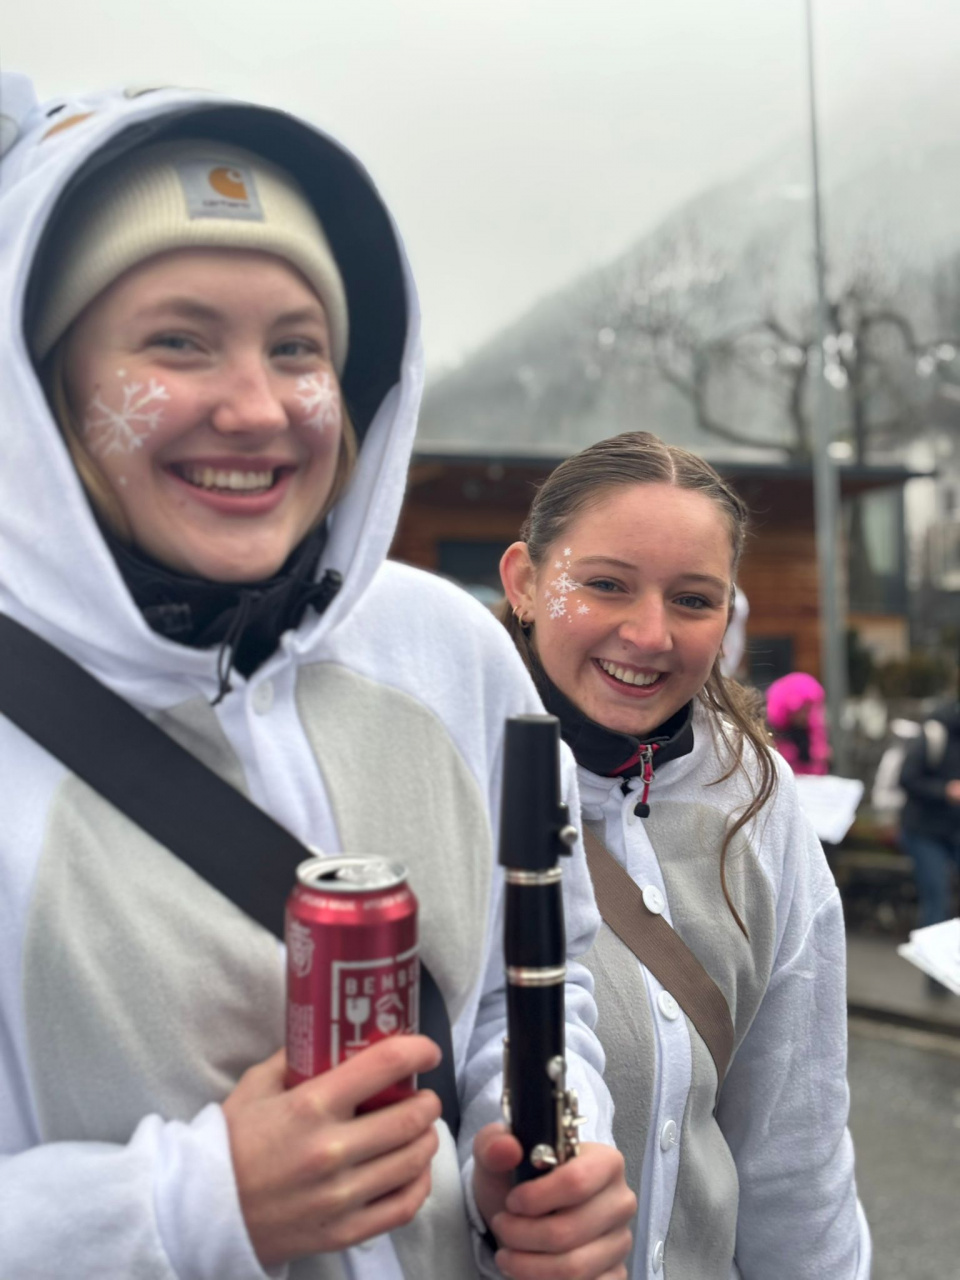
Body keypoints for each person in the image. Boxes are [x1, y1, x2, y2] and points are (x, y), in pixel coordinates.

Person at [0, 75, 636, 1279]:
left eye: (297, 348)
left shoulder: (446, 646)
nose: (257, 408)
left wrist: (545, 1152)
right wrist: (186, 1206)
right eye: (179, 341)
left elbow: (529, 986)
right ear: (45, 385)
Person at [498, 431, 871, 1278]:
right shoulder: (447, 773)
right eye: (605, 584)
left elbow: (795, 1144)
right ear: (524, 582)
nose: (650, 633)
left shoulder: (756, 799)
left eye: (694, 599)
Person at [898, 700, 960, 979]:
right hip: (924, 830)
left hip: (954, 829)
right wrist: (945, 790)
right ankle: (935, 974)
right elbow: (907, 778)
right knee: (937, 896)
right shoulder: (935, 733)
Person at [765, 671, 831, 776]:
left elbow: (820, 764)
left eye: (808, 709)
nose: (806, 715)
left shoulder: (813, 731)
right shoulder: (774, 734)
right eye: (802, 710)